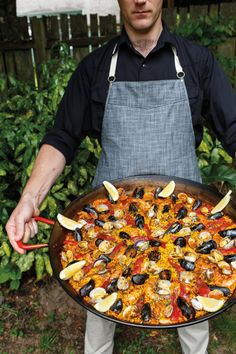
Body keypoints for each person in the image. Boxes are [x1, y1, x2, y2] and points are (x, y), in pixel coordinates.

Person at [6, 0, 236, 353]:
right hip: (110, 221)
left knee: (196, 311)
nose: (140, 0)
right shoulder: (95, 67)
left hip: (188, 219)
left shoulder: (196, 61)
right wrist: (28, 201)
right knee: (97, 315)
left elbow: (233, 128)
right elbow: (62, 137)